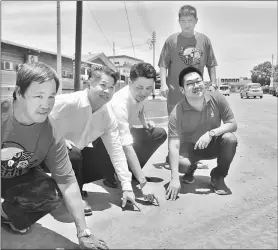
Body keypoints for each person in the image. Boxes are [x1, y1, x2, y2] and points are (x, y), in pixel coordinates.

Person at [1, 62, 108, 249]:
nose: (46, 104)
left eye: (51, 96)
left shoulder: (50, 132)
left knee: (53, 193)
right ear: (19, 93)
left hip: (16, 178)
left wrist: (83, 232)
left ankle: (6, 213)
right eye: (39, 96)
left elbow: (68, 182)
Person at [49, 66, 139, 216]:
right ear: (90, 83)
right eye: (103, 85)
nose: (108, 91)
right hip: (48, 153)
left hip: (74, 159)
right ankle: (72, 196)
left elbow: (116, 150)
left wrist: (127, 187)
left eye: (112, 87)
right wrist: (58, 138)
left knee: (105, 158)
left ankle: (63, 186)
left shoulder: (107, 116)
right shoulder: (70, 101)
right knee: (73, 153)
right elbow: (40, 116)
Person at [166, 66, 238, 201]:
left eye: (198, 81)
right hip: (189, 149)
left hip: (211, 144)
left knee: (230, 139)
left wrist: (211, 133)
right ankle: (190, 169)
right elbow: (173, 146)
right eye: (190, 84)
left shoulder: (217, 97)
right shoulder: (176, 113)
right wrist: (174, 178)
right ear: (182, 90)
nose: (196, 86)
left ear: (203, 82)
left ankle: (218, 176)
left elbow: (232, 124)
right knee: (181, 164)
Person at [104, 63, 167, 205]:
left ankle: (133, 174)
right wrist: (143, 183)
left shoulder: (141, 94)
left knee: (158, 133)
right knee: (124, 146)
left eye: (149, 88)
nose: (144, 92)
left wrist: (145, 123)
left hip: (122, 135)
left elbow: (140, 109)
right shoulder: (119, 104)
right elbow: (125, 145)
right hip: (103, 143)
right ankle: (110, 174)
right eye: (140, 87)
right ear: (129, 82)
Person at [158, 4, 218, 115]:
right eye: (183, 21)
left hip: (197, 90)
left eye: (190, 21)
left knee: (198, 123)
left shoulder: (204, 40)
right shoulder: (171, 41)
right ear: (179, 21)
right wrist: (163, 84)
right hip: (175, 92)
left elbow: (211, 64)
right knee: (175, 123)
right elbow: (163, 64)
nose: (187, 25)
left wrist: (213, 83)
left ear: (196, 21)